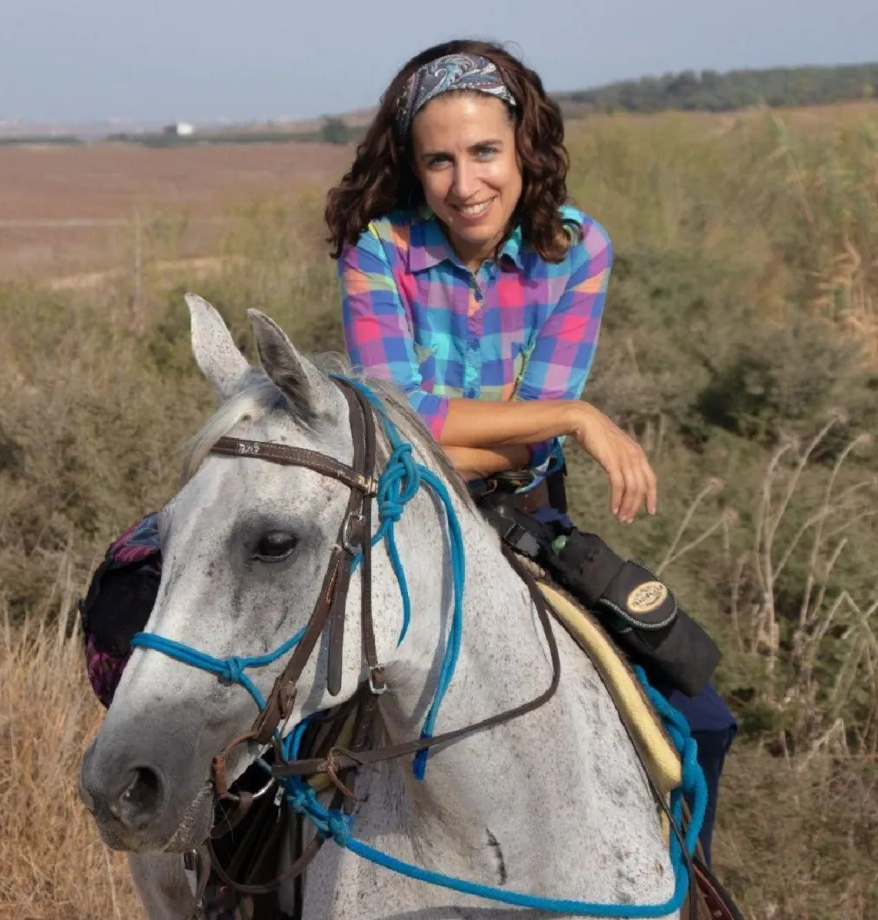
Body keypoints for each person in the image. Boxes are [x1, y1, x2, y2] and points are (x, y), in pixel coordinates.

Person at [327, 38, 737, 865]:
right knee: (273, 726)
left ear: (525, 146)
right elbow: (400, 414)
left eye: (485, 151)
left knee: (699, 719)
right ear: (412, 165)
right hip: (388, 512)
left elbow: (491, 433)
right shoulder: (378, 248)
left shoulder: (577, 249)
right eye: (438, 160)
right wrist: (573, 415)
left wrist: (519, 426)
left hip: (518, 517)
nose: (465, 183)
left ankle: (680, 886)